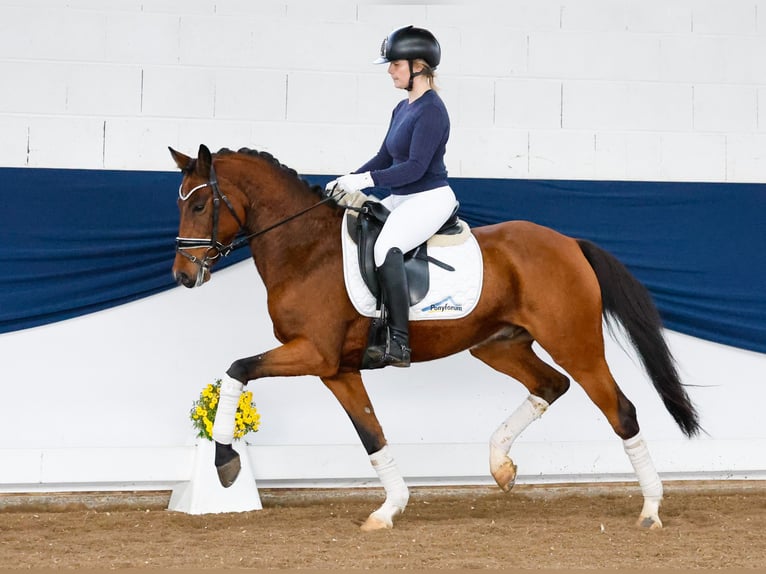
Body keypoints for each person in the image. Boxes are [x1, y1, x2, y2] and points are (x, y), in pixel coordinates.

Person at [326, 25, 458, 369]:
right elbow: (385, 158)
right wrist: (349, 179)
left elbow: (414, 168)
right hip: (403, 197)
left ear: (419, 66)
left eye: (395, 65)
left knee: (386, 247)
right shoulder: (403, 109)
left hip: (430, 197)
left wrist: (366, 180)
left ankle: (399, 340)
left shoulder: (432, 111)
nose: (389, 71)